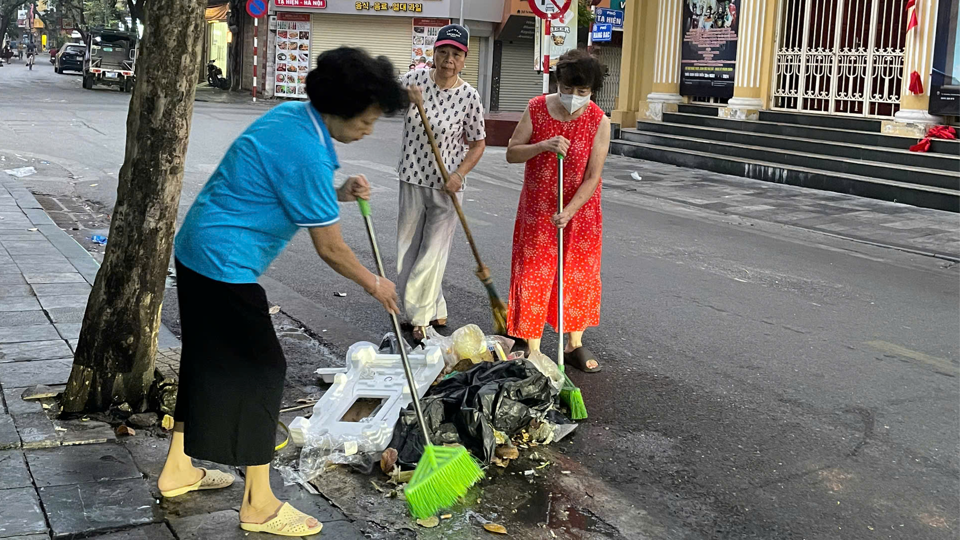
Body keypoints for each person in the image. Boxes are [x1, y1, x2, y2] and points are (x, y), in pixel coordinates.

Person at [159, 47, 407, 537]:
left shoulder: (294, 118)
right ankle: (259, 504)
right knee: (263, 369)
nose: (368, 131)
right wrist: (374, 283)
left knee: (206, 360)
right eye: (366, 120)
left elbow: (285, 186)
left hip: (199, 249)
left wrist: (337, 191)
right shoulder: (309, 152)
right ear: (339, 110)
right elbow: (331, 249)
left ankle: (178, 470)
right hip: (223, 263)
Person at [505, 49, 610, 373]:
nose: (574, 97)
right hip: (538, 209)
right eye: (568, 90)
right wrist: (543, 145)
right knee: (534, 273)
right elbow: (512, 153)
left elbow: (594, 175)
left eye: (582, 92)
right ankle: (531, 344)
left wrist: (571, 210)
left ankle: (574, 342)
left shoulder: (598, 120)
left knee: (577, 276)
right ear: (558, 82)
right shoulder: (537, 108)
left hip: (579, 212)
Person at [397, 24, 486, 341]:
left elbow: (477, 143)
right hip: (411, 176)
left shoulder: (469, 96)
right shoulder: (414, 80)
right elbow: (383, 97)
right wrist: (401, 95)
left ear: (464, 59)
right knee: (408, 249)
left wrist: (459, 174)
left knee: (433, 251)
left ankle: (419, 317)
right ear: (433, 54)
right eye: (443, 52)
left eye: (456, 54)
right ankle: (434, 305)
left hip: (447, 186)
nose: (449, 59)